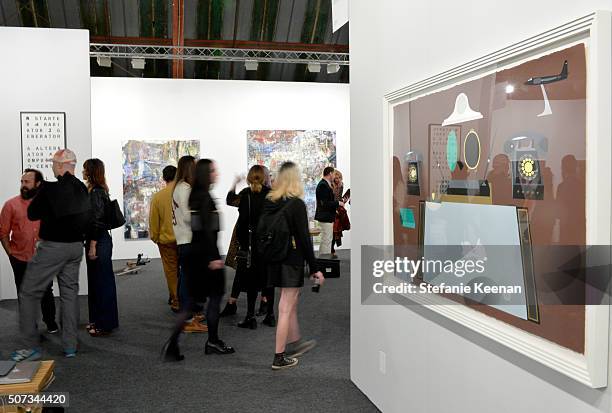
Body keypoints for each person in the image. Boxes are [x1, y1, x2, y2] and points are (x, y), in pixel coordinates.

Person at [12, 149, 91, 361]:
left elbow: (32, 213)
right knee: (69, 294)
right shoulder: (82, 188)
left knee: (29, 291)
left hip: (53, 248)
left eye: (53, 164)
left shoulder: (51, 189)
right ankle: (70, 346)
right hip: (75, 247)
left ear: (58, 165)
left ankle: (29, 347)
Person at [164, 159, 235, 361]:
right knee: (213, 297)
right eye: (213, 170)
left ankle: (173, 345)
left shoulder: (195, 194)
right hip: (205, 255)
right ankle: (212, 341)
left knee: (191, 303)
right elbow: (205, 230)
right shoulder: (202, 197)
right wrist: (213, 258)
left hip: (196, 253)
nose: (216, 173)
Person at [264, 161, 325, 370]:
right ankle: (279, 357)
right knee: (285, 307)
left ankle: (294, 342)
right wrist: (315, 268)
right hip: (291, 260)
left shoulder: (271, 201)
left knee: (289, 303)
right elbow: (304, 239)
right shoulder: (296, 205)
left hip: (274, 259)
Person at [0, 169, 58, 334]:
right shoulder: (10, 205)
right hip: (19, 257)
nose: (23, 185)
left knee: (46, 291)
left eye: (27, 182)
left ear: (37, 184)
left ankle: (50, 322)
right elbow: (3, 232)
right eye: (22, 182)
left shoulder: (48, 204)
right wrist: (10, 253)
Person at [234, 165, 275, 329]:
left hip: (252, 244)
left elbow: (243, 221)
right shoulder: (272, 195)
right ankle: (270, 315)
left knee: (252, 281)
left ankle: (250, 317)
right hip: (268, 243)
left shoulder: (246, 195)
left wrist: (242, 243)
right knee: (269, 280)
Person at [170, 155, 206, 334]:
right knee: (187, 280)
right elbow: (186, 215)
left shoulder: (181, 188)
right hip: (187, 239)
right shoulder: (183, 189)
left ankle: (190, 315)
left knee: (188, 279)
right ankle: (188, 319)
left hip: (185, 239)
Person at [83, 158, 119, 337]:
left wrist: (92, 246)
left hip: (98, 241)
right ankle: (99, 320)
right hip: (99, 240)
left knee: (102, 283)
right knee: (98, 282)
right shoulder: (99, 190)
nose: (82, 172)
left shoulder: (96, 192)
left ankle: (104, 323)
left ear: (90, 171)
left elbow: (97, 221)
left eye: (84, 169)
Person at [149, 165, 179, 312]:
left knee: (171, 271)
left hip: (166, 240)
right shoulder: (184, 194)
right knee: (185, 270)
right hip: (184, 239)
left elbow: (154, 220)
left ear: (164, 178)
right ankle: (187, 299)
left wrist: (155, 237)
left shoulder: (158, 197)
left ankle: (176, 300)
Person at [315, 166, 344, 256]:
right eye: (334, 174)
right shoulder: (323, 185)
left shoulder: (324, 184)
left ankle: (322, 261)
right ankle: (325, 262)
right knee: (327, 241)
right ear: (330, 173)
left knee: (325, 240)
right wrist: (338, 203)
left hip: (326, 216)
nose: (335, 177)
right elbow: (326, 203)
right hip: (325, 217)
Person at [330, 169, 350, 259]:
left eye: (339, 178)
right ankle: (331, 250)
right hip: (332, 210)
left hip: (339, 210)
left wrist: (345, 199)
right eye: (336, 178)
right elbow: (331, 200)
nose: (337, 180)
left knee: (337, 231)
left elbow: (340, 198)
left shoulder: (341, 185)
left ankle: (332, 249)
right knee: (333, 231)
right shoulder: (330, 186)